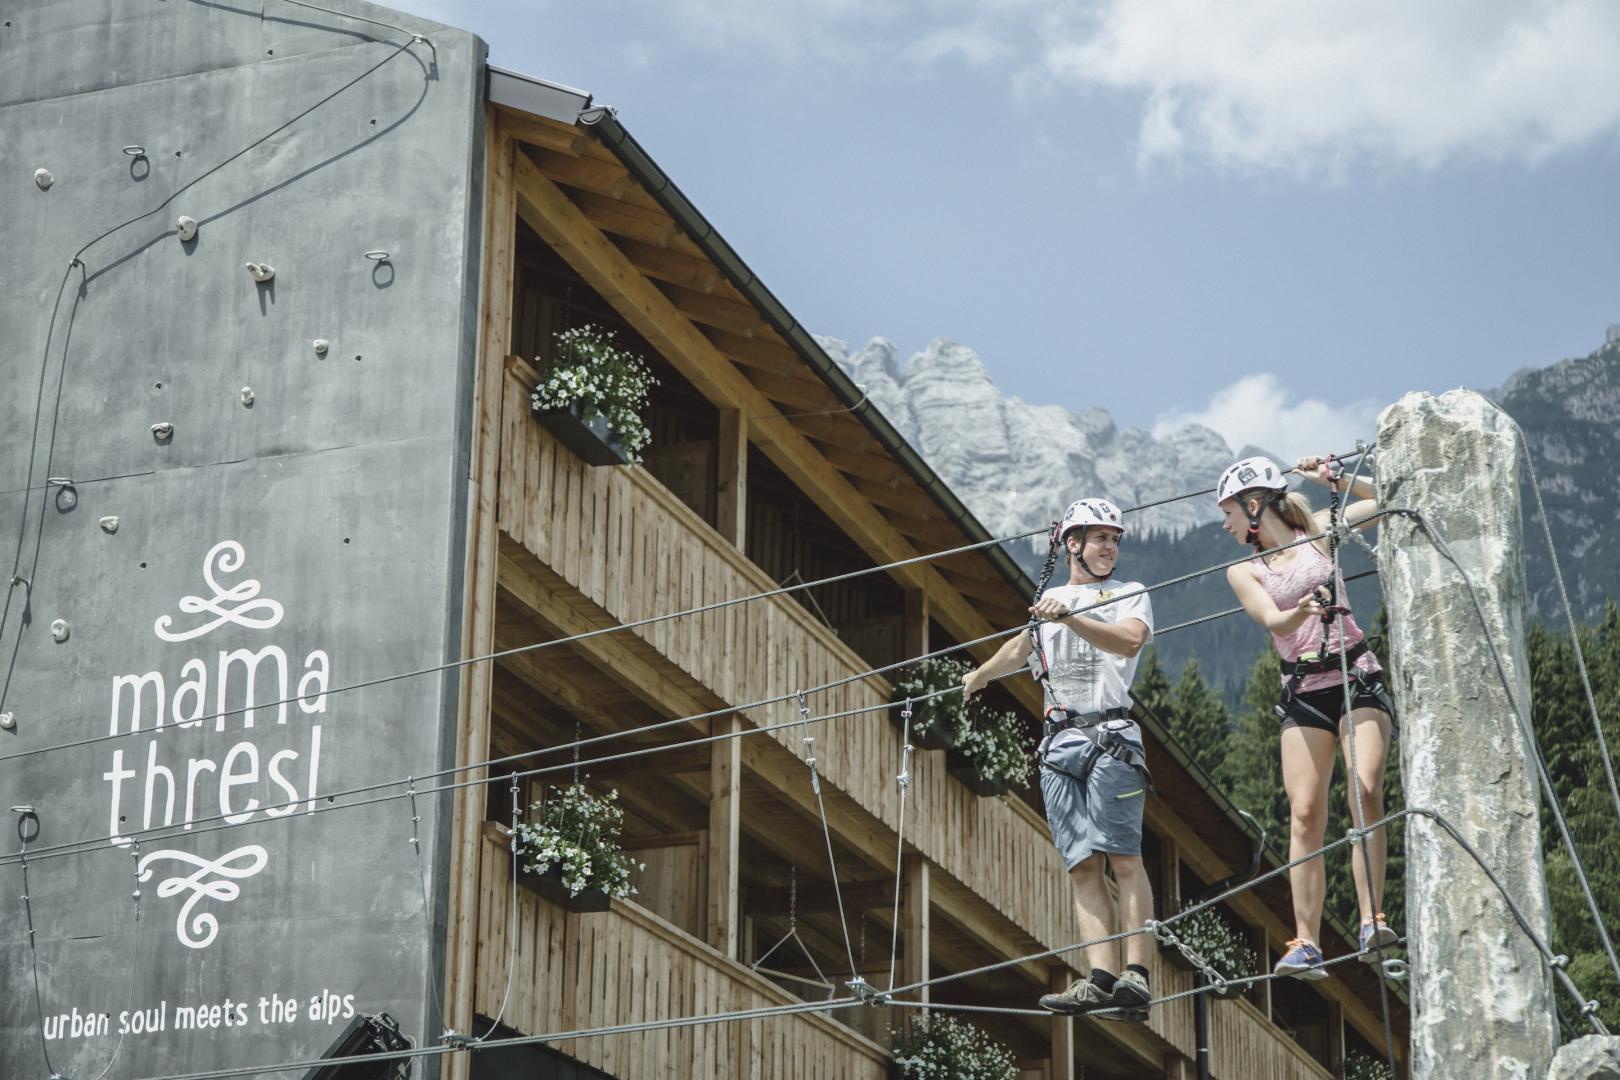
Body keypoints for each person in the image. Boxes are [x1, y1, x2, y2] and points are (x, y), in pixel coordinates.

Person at [963, 497, 1156, 1019]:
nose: (1110, 547)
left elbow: (1129, 643)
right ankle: (1101, 977)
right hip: (1058, 747)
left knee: (1123, 857)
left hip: (1110, 735)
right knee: (1081, 866)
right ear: (1072, 544)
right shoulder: (1049, 600)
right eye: (1100, 538)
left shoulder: (1127, 594)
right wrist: (978, 676)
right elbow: (1022, 647)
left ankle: (1136, 973)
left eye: (1115, 539)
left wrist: (1070, 615)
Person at [1215, 454, 1398, 981]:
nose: (1225, 525)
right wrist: (1302, 610)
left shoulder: (1319, 532)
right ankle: (1308, 942)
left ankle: (1372, 920)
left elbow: (1380, 503)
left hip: (1355, 675)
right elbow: (1271, 618)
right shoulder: (1241, 570)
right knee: (1304, 813)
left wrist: (1336, 479)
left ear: (1254, 505)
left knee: (1364, 790)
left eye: (1228, 512)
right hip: (1304, 691)